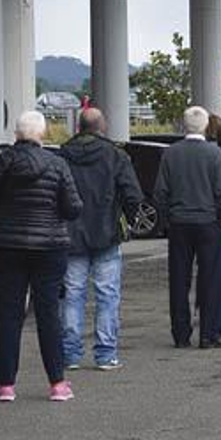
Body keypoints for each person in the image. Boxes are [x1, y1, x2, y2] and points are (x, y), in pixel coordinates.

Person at [0, 110, 84, 401]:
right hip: (50, 246)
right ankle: (57, 383)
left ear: (16, 134)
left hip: (9, 245)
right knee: (48, 313)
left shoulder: (1, 163)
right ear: (42, 133)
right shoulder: (57, 164)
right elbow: (73, 207)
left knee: (10, 313)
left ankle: (6, 385)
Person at [59, 107, 144, 370]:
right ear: (102, 127)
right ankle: (105, 354)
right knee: (107, 295)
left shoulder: (62, 156)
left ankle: (70, 355)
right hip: (106, 231)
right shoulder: (116, 155)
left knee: (72, 294)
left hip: (71, 232)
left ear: (78, 127)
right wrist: (127, 221)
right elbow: (133, 195)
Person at [156, 105, 221, 347]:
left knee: (179, 279)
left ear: (183, 125)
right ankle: (208, 333)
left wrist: (167, 217)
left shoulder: (171, 153)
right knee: (210, 278)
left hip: (179, 221)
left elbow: (160, 192)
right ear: (206, 126)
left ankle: (181, 333)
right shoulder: (215, 154)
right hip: (209, 221)